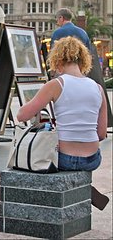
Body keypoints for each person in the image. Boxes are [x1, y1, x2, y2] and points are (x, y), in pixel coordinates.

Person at [17, 37, 108, 208]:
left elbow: (21, 116)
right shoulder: (98, 88)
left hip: (63, 158)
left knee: (31, 158)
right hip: (92, 159)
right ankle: (83, 190)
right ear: (82, 60)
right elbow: (101, 134)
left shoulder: (56, 84)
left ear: (58, 60)